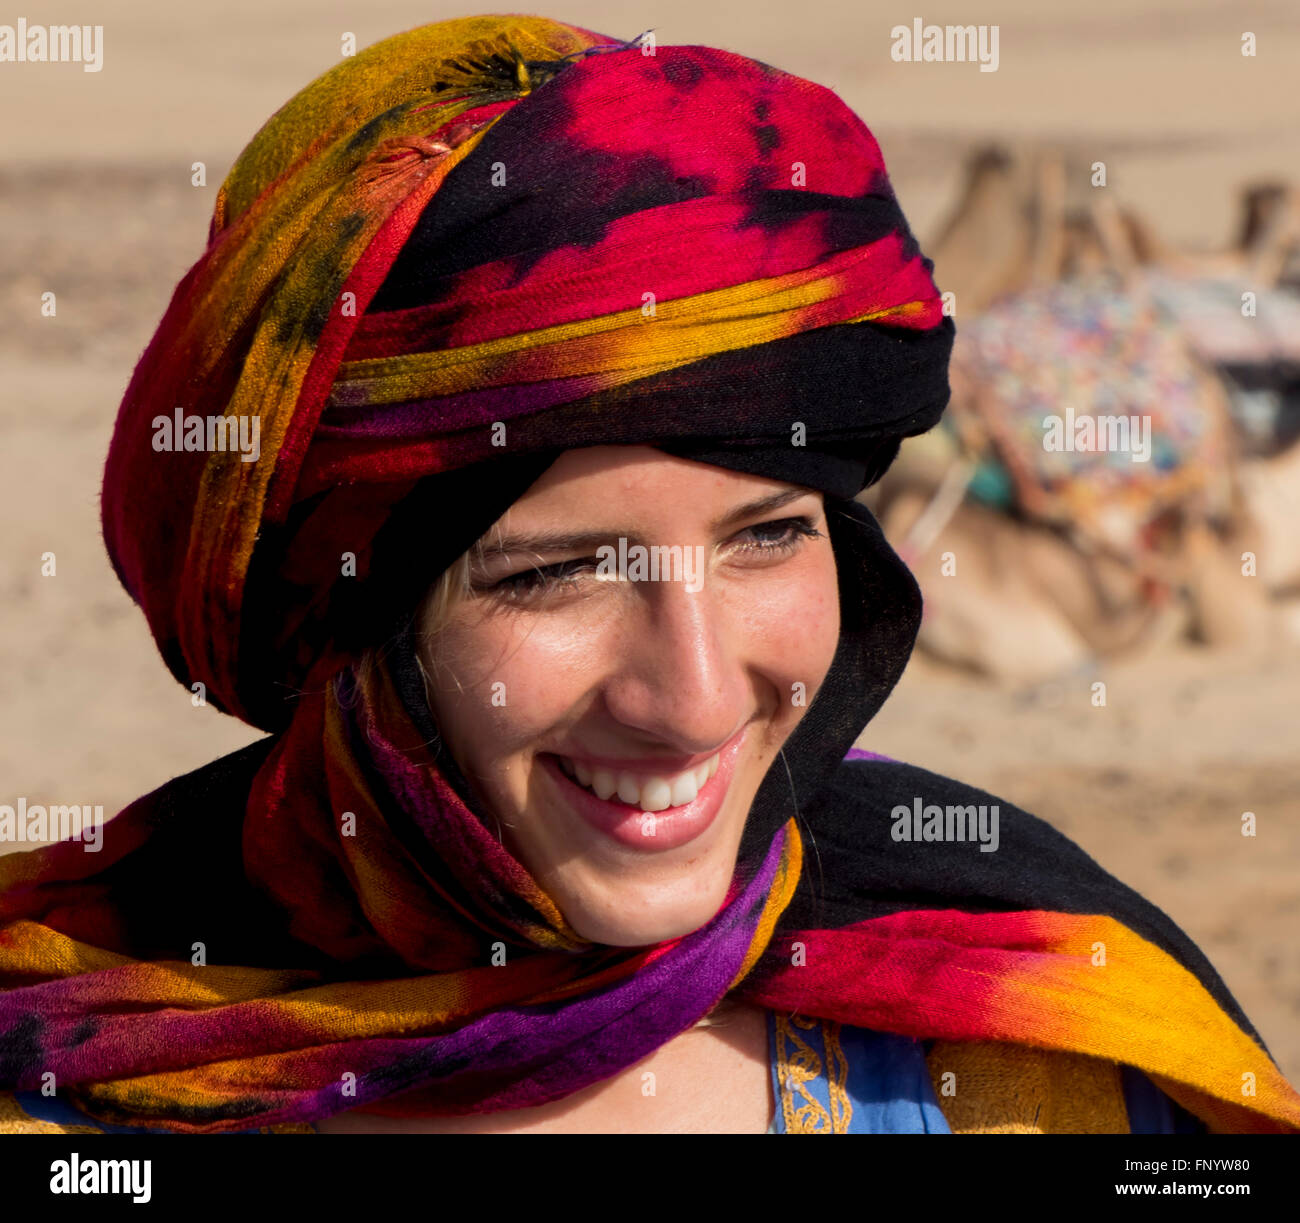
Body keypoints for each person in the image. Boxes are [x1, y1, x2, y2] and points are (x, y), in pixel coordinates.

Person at [2, 14, 1297, 1136]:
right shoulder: (63, 1064)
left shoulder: (1040, 1042)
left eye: (768, 535)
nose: (692, 701)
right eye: (555, 574)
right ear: (360, 629)